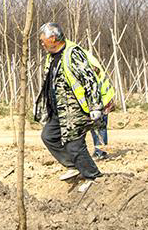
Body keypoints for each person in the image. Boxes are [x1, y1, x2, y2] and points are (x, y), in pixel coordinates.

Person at [34, 24, 115, 189]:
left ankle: (93, 176)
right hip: (59, 111)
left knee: (74, 144)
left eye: (43, 41)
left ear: (53, 39)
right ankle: (73, 165)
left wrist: (95, 107)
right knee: (48, 136)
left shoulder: (73, 54)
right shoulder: (52, 56)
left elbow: (89, 80)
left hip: (75, 108)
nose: (42, 45)